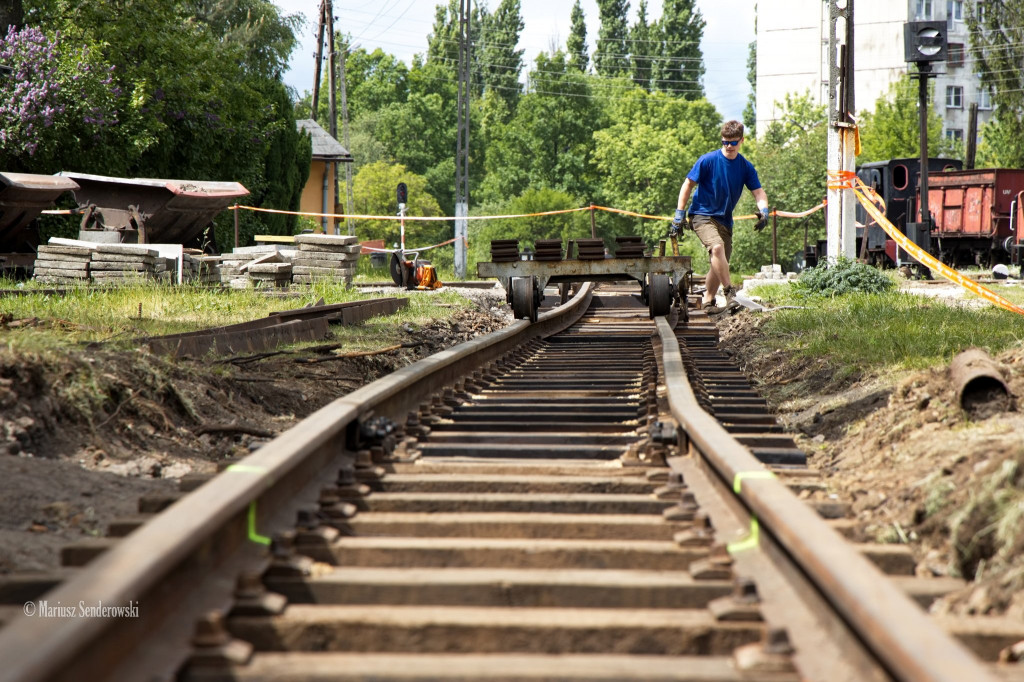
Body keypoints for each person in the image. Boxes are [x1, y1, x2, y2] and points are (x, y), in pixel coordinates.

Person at [671, 120, 770, 314]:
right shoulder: (707, 160)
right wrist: (679, 214)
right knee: (717, 248)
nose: (729, 146)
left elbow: (758, 192)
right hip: (701, 215)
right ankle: (730, 294)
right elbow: (687, 184)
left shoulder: (745, 167)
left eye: (733, 142)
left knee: (720, 261)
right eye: (725, 142)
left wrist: (764, 211)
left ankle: (708, 302)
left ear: (742, 140)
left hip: (725, 219)